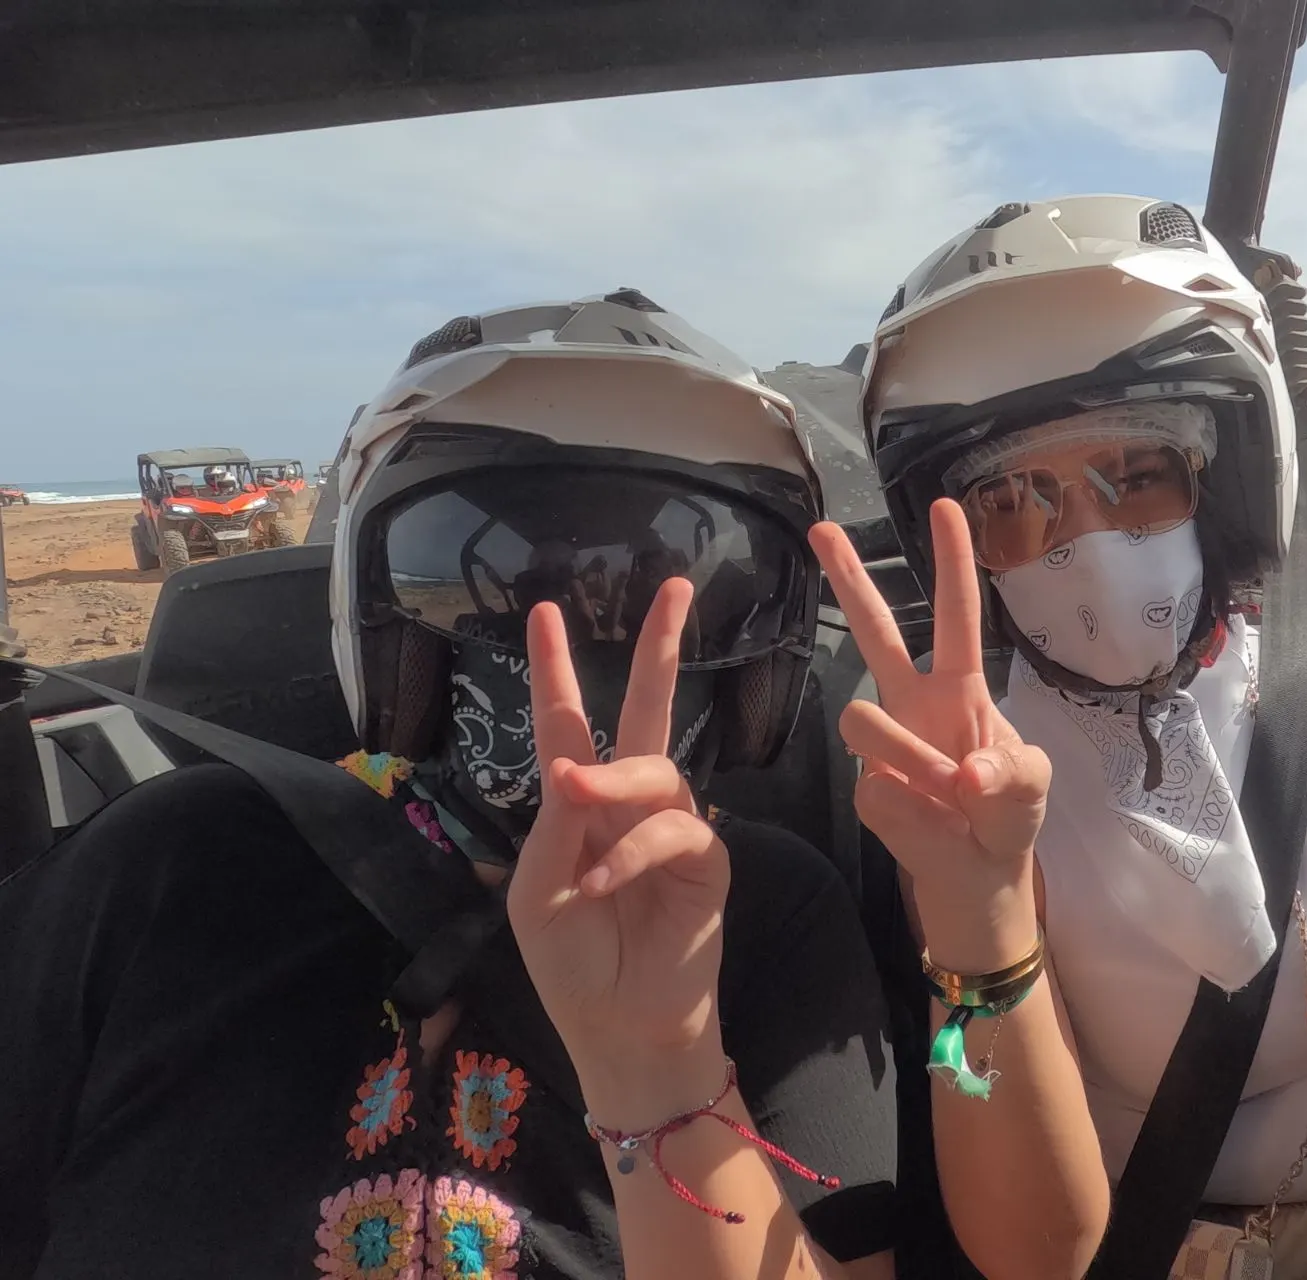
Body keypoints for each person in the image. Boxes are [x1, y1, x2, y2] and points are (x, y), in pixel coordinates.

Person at [0, 292, 901, 1279]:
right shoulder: (179, 864)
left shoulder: (765, 908)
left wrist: (665, 1067)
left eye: (677, 593)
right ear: (382, 623)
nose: (583, 643)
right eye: (495, 585)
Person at [815, 196, 1307, 1280]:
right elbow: (1030, 1251)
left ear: (1228, 480)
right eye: (1014, 500)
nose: (1087, 543)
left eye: (1137, 476)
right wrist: (978, 905)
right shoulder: (977, 803)